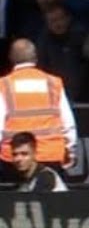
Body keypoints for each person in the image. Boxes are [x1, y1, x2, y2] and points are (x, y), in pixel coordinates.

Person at [0, 39, 76, 180]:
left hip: (15, 158)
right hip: (51, 154)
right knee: (52, 201)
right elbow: (68, 123)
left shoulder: (4, 85)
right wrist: (70, 151)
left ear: (10, 58)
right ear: (35, 57)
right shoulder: (53, 83)